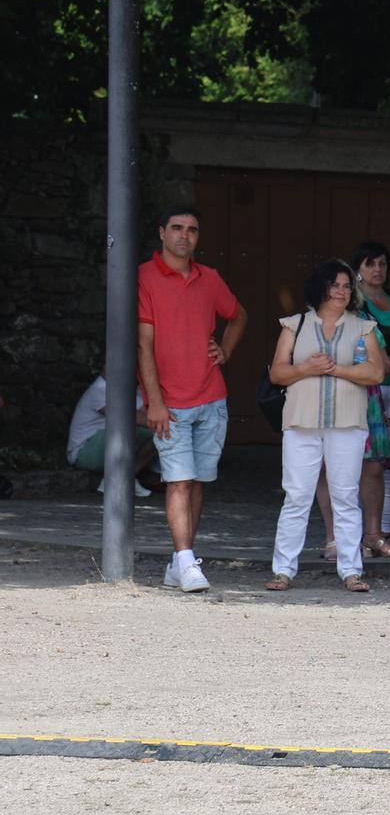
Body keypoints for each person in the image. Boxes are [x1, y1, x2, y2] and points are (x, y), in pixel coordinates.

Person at [138, 206, 247, 593]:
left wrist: (226, 351)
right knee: (178, 482)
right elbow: (144, 345)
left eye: (193, 230)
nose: (185, 235)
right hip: (171, 402)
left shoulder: (210, 278)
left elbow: (239, 316)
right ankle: (187, 562)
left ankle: (179, 562)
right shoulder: (145, 277)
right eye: (178, 228)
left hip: (212, 397)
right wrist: (154, 400)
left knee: (197, 482)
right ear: (162, 232)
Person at [265, 261, 386, 592]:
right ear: (320, 288)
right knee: (297, 495)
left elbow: (376, 373)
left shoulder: (363, 327)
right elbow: (277, 373)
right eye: (335, 285)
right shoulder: (295, 325)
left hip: (347, 422)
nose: (342, 292)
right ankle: (283, 570)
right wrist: (306, 367)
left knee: (345, 495)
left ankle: (351, 570)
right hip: (300, 422)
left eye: (347, 286)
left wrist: (335, 371)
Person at [349, 241, 390, 556]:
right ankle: (361, 534)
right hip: (368, 389)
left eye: (382, 264)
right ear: (358, 269)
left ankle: (383, 532)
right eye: (370, 264)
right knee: (364, 464)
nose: (377, 270)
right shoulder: (354, 303)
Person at [67, 373, 158, 499]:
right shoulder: (100, 389)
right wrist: (163, 422)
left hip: (99, 445)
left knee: (158, 434)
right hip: (84, 451)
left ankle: (127, 477)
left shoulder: (121, 389)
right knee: (142, 430)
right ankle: (116, 479)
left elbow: (145, 413)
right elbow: (129, 416)